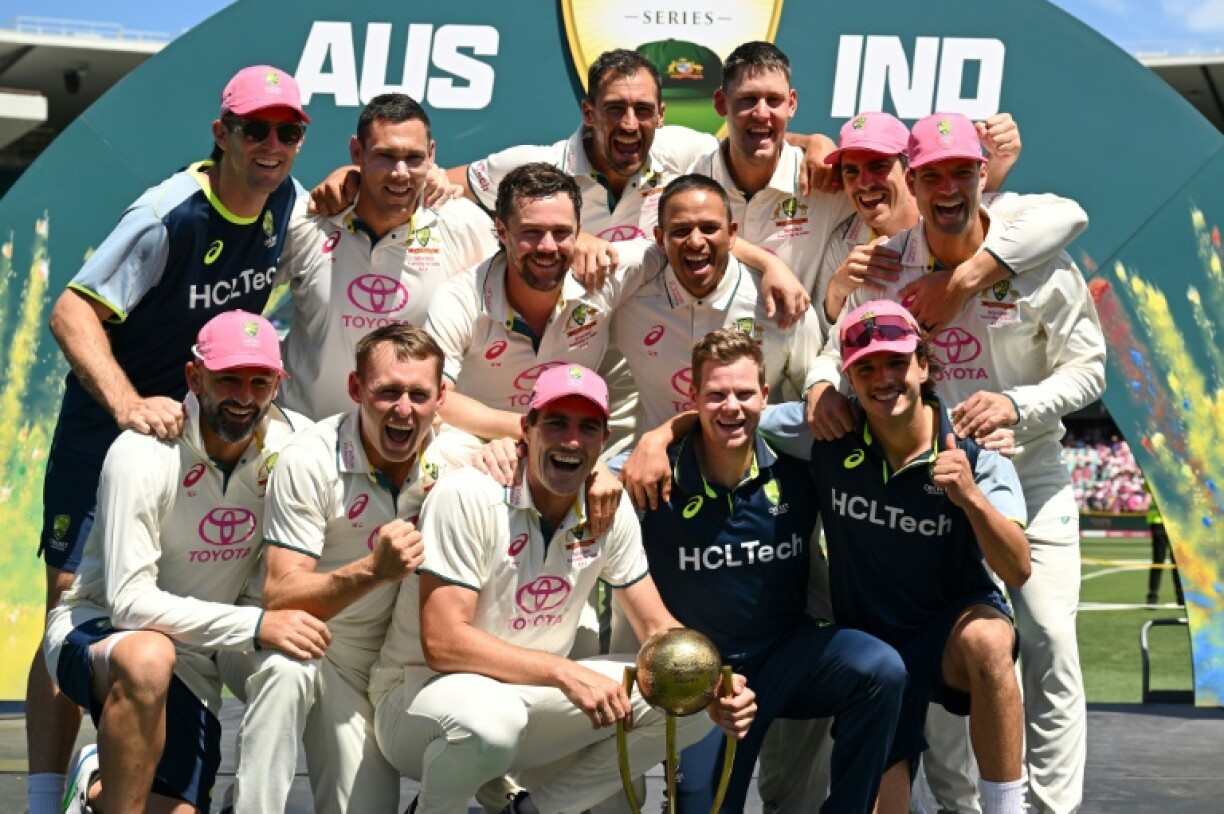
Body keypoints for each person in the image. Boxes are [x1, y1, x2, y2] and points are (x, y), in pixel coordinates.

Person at [28, 65, 310, 814]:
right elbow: (71, 313)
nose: (272, 144)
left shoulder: (289, 200)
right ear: (222, 135)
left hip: (204, 425)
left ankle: (113, 763)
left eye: (288, 131)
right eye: (256, 129)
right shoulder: (169, 214)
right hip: (120, 424)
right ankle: (41, 794)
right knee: (74, 599)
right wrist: (126, 404)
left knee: (163, 613)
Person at [810, 114, 1106, 814]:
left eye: (961, 172)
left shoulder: (1034, 256)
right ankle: (962, 806)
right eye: (933, 176)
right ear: (914, 182)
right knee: (944, 655)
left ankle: (1049, 811)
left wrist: (1016, 406)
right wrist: (823, 386)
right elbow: (837, 343)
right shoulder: (889, 263)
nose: (948, 189)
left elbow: (1088, 370)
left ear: (984, 176)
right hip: (928, 488)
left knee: (1048, 638)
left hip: (1027, 472)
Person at [369, 363, 757, 813]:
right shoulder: (467, 494)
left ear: (603, 441)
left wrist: (717, 680)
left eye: (587, 427)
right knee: (493, 724)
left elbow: (656, 625)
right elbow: (443, 643)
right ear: (527, 428)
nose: (572, 440)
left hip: (527, 697)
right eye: (556, 422)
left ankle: (534, 810)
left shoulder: (609, 508)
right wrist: (565, 672)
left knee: (688, 698)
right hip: (420, 698)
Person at [44, 311, 324, 814]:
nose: (244, 396)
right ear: (195, 377)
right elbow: (129, 605)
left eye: (260, 381)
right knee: (150, 656)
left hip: (205, 648)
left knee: (293, 666)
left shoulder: (299, 445)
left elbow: (371, 441)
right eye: (228, 379)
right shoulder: (140, 451)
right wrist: (258, 624)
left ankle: (98, 786)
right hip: (101, 629)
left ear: (278, 383)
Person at [770, 299, 1032, 814]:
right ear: (848, 378)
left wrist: (971, 498)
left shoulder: (974, 449)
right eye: (865, 368)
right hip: (873, 656)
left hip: (947, 638)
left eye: (896, 362)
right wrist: (661, 437)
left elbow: (1018, 568)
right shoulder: (828, 430)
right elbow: (728, 414)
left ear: (925, 366)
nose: (882, 378)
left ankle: (1007, 810)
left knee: (990, 639)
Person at [640, 327, 905, 813]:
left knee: (881, 669)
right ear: (692, 397)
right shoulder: (653, 474)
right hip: (704, 678)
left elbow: (891, 417)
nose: (731, 407)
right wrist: (650, 441)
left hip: (786, 654)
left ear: (765, 395)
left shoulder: (797, 462)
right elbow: (584, 471)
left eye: (744, 393)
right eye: (716, 395)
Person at [216, 324, 462, 813]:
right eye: (387, 392)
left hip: (385, 669)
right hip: (295, 639)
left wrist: (599, 471)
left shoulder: (461, 459)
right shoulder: (307, 460)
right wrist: (374, 570)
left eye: (419, 394)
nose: (403, 409)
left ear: (442, 398)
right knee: (289, 669)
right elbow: (281, 598)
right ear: (355, 390)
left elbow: (553, 445)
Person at [276, 93, 498, 420]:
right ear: (357, 152)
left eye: (413, 158)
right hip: (306, 435)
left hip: (410, 442)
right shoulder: (310, 220)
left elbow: (523, 278)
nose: (400, 173)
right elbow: (241, 292)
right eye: (385, 156)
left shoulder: (462, 223)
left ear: (432, 155)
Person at [613, 175, 825, 430]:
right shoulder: (629, 303)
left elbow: (816, 396)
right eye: (681, 231)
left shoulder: (783, 304)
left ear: (732, 234)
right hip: (664, 463)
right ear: (659, 238)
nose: (695, 242)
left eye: (709, 228)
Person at [1147, 494, 1185, 606]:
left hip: (1175, 522)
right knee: (1158, 561)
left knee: (1176, 562)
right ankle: (1152, 596)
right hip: (1160, 522)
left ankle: (1181, 597)